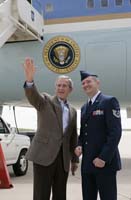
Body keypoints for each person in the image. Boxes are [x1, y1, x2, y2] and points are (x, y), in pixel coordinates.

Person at [23, 57, 78, 200]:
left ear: (70, 89)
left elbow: (73, 137)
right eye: (58, 85)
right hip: (43, 157)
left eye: (64, 86)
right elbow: (33, 96)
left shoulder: (73, 111)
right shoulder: (45, 101)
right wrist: (30, 80)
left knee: (60, 195)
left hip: (63, 159)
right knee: (41, 195)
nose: (60, 88)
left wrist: (75, 160)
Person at [75, 70, 122, 200]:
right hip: (88, 164)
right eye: (83, 83)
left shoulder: (109, 101)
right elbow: (83, 134)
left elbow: (115, 132)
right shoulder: (84, 107)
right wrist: (79, 145)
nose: (85, 85)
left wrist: (103, 158)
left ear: (97, 82)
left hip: (104, 164)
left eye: (88, 81)